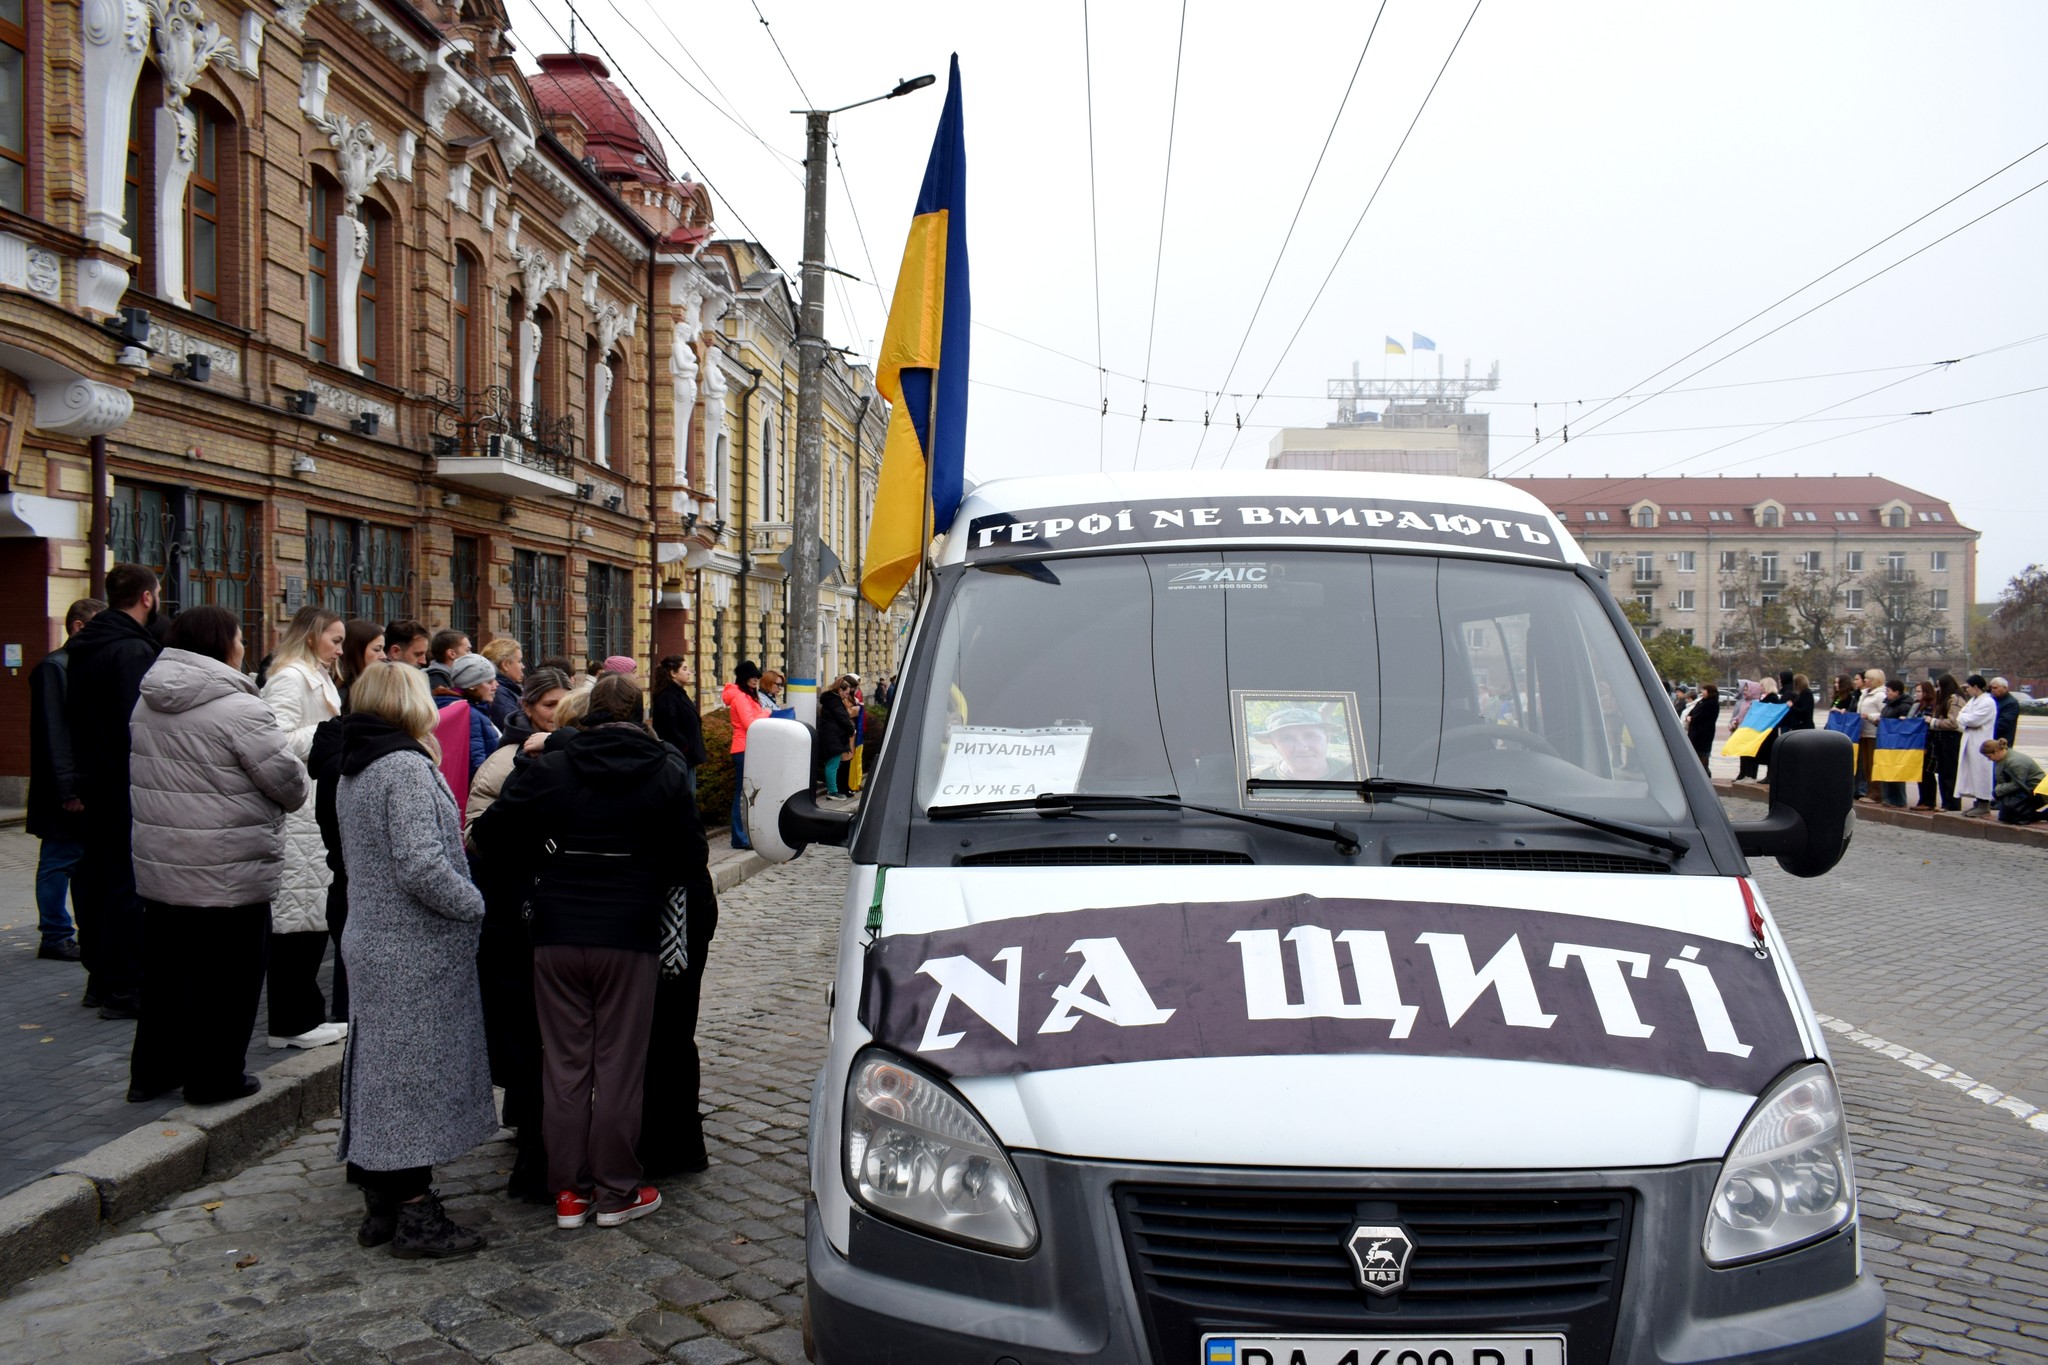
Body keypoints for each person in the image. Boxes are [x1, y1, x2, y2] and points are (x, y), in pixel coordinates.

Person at [472, 674, 704, 1228]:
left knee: (565, 1065)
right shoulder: (665, 769)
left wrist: (549, 857)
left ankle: (570, 1195)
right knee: (620, 1066)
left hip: (555, 929)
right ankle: (618, 1191)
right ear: (641, 714)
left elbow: (491, 834)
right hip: (628, 931)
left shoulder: (553, 765)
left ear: (588, 713)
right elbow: (690, 859)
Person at [334, 662, 493, 1258]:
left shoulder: (361, 765)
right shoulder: (401, 767)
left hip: (377, 939)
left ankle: (383, 1202)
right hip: (409, 947)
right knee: (409, 1083)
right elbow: (421, 864)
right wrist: (473, 902)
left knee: (382, 1075)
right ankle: (414, 1212)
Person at [126, 607, 308, 1105]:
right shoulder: (238, 708)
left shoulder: (148, 703)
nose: (244, 646)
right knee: (229, 982)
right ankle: (215, 1077)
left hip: (164, 866)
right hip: (229, 866)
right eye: (240, 637)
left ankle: (152, 1073)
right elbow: (289, 784)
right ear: (222, 644)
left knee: (167, 977)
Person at [462, 666, 572, 1203]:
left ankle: (548, 1138)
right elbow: (479, 839)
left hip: (554, 919)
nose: (557, 713)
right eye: (549, 704)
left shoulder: (571, 761)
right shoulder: (505, 762)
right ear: (529, 709)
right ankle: (532, 1144)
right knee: (527, 1036)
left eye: (564, 704)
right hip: (513, 916)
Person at [65, 564, 165, 1018]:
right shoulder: (130, 651)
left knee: (102, 879)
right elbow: (138, 724)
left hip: (95, 779)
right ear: (147, 597)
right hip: (123, 781)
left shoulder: (88, 645)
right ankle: (124, 987)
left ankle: (101, 979)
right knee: (127, 884)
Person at [258, 606, 347, 1050]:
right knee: (296, 919)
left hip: (315, 803)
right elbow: (273, 737)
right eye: (334, 639)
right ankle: (291, 1022)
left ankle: (302, 1016)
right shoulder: (291, 677)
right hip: (300, 808)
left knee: (311, 914)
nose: (340, 649)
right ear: (312, 637)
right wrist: (331, 733)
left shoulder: (316, 675)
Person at [28, 597, 105, 963]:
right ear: (78, 627)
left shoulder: (73, 666)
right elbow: (55, 734)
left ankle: (63, 931)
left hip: (72, 783)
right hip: (62, 789)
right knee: (58, 859)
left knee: (72, 859)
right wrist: (69, 789)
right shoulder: (55, 668)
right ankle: (55, 934)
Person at [430, 653, 502, 806]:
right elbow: (478, 765)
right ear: (472, 686)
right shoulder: (470, 714)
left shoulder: (464, 708)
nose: (496, 685)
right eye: (489, 681)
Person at [721, 661, 767, 849]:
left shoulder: (749, 696)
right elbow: (750, 723)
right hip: (743, 748)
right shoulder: (740, 698)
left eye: (757, 676)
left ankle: (746, 835)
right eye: (752, 676)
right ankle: (739, 837)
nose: (756, 679)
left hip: (751, 748)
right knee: (742, 795)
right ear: (743, 678)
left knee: (749, 794)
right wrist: (766, 713)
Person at [650, 655, 709, 796]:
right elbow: (670, 728)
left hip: (686, 757)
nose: (689, 672)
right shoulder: (667, 697)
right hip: (679, 758)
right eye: (684, 669)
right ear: (673, 673)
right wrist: (686, 748)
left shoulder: (678, 694)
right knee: (684, 799)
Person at [1248, 708, 1357, 781]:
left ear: (1327, 738)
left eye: (1310, 736)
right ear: (1274, 745)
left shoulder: (1356, 773)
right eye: (1287, 738)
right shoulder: (1255, 781)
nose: (1301, 748)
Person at [1956, 676, 1999, 816]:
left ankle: (1983, 803)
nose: (1966, 690)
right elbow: (1960, 716)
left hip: (1981, 741)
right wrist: (1963, 719)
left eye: (1968, 687)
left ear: (1975, 687)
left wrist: (1964, 719)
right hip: (1969, 739)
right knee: (1972, 772)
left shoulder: (1988, 702)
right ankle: (1977, 801)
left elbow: (1973, 720)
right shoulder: (1972, 701)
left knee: (1981, 772)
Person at [1924, 674, 1965, 813]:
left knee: (1950, 772)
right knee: (1942, 772)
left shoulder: (1955, 699)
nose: (1937, 689)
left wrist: (1934, 722)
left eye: (1939, 686)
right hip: (1941, 738)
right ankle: (1945, 801)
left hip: (1951, 738)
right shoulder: (1944, 699)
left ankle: (1952, 803)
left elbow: (1953, 722)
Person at [1982, 738, 2046, 824]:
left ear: (1996, 751)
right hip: (2026, 789)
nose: (1989, 759)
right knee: (2005, 815)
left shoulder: (2015, 761)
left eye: (1989, 757)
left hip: (2037, 792)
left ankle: (2043, 815)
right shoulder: (2003, 757)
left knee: (2014, 814)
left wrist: (1998, 790)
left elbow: (2018, 784)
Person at [1876, 679, 1913, 808]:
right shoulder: (1888, 704)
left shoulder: (1904, 705)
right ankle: (1888, 797)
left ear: (1897, 692)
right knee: (1886, 769)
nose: (1886, 693)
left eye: (1888, 691)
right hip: (1886, 742)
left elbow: (1905, 724)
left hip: (1897, 743)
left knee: (1896, 771)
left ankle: (1898, 799)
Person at [817, 676, 856, 797]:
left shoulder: (831, 700)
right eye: (846, 693)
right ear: (840, 690)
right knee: (833, 765)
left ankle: (834, 789)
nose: (846, 696)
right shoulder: (835, 702)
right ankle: (833, 792)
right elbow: (843, 718)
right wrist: (852, 730)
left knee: (833, 763)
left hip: (833, 735)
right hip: (833, 737)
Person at [335, 620, 386, 711]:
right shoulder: (339, 696)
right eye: (377, 649)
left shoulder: (381, 687)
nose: (383, 656)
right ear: (356, 651)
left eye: (383, 649)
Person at [1853, 668, 1887, 800]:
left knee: (1873, 763)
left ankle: (1876, 792)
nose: (1865, 680)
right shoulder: (1864, 693)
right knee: (1865, 764)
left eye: (1867, 678)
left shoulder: (1880, 695)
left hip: (1874, 732)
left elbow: (1884, 713)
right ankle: (1869, 790)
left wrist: (1870, 716)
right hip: (1863, 733)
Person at [481, 638, 525, 731]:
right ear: (505, 665)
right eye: (519, 661)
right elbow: (516, 729)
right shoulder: (499, 692)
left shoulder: (506, 689)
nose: (523, 666)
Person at [1684, 682, 1720, 769]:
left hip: (1704, 734)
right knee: (1694, 753)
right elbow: (1692, 712)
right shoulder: (1701, 702)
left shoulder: (1712, 704)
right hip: (1694, 732)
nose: (1702, 692)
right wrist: (1689, 717)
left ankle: (1705, 773)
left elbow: (1701, 716)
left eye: (1704, 690)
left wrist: (1691, 719)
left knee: (1702, 754)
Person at [1989, 678, 2020, 746]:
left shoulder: (2011, 703)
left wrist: (1986, 729)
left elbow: (2003, 724)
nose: (1993, 690)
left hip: (2002, 742)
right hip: (1991, 740)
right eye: (1991, 688)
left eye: (1995, 688)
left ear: (2005, 688)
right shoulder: (1992, 700)